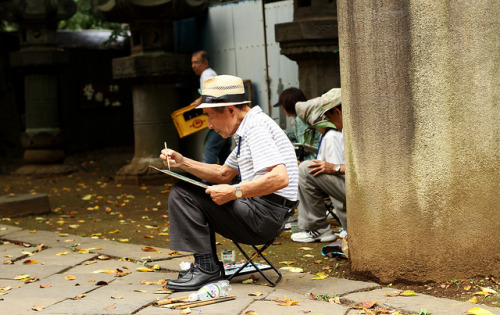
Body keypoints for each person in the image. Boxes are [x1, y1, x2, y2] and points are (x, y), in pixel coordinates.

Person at [160, 75, 299, 291]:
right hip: (263, 211)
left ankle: (207, 268)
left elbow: (280, 177)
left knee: (182, 194)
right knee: (187, 190)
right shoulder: (247, 129)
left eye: (210, 116)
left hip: (264, 216)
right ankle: (207, 266)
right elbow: (224, 173)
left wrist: (235, 192)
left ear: (230, 110)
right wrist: (182, 162)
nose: (209, 125)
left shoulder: (257, 129)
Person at [290, 88, 346, 243]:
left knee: (305, 169)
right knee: (304, 169)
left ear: (337, 112)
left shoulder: (332, 136)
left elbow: (337, 171)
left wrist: (334, 168)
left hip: (352, 193)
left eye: (329, 116)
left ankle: (318, 228)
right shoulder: (339, 133)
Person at [190, 50, 232, 164]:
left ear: (205, 63)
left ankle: (207, 181)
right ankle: (233, 179)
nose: (193, 66)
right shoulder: (208, 74)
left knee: (210, 148)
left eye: (196, 62)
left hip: (219, 117)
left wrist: (199, 100)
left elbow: (211, 91)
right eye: (192, 63)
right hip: (222, 117)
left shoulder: (206, 74)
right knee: (224, 152)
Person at [274, 88, 321, 161]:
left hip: (313, 159)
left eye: (283, 105)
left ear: (288, 105)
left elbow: (305, 146)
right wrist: (274, 132)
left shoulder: (300, 120)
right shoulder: (300, 118)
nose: (282, 108)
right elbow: (292, 134)